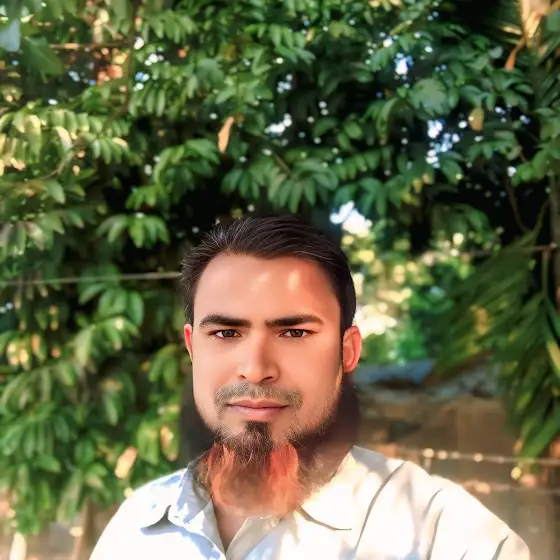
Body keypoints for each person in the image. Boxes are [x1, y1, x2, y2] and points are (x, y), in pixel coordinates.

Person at [90, 214, 530, 559]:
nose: (255, 370)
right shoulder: (138, 526)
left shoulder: (446, 535)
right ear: (192, 348)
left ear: (347, 352)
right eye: (225, 333)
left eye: (294, 332)